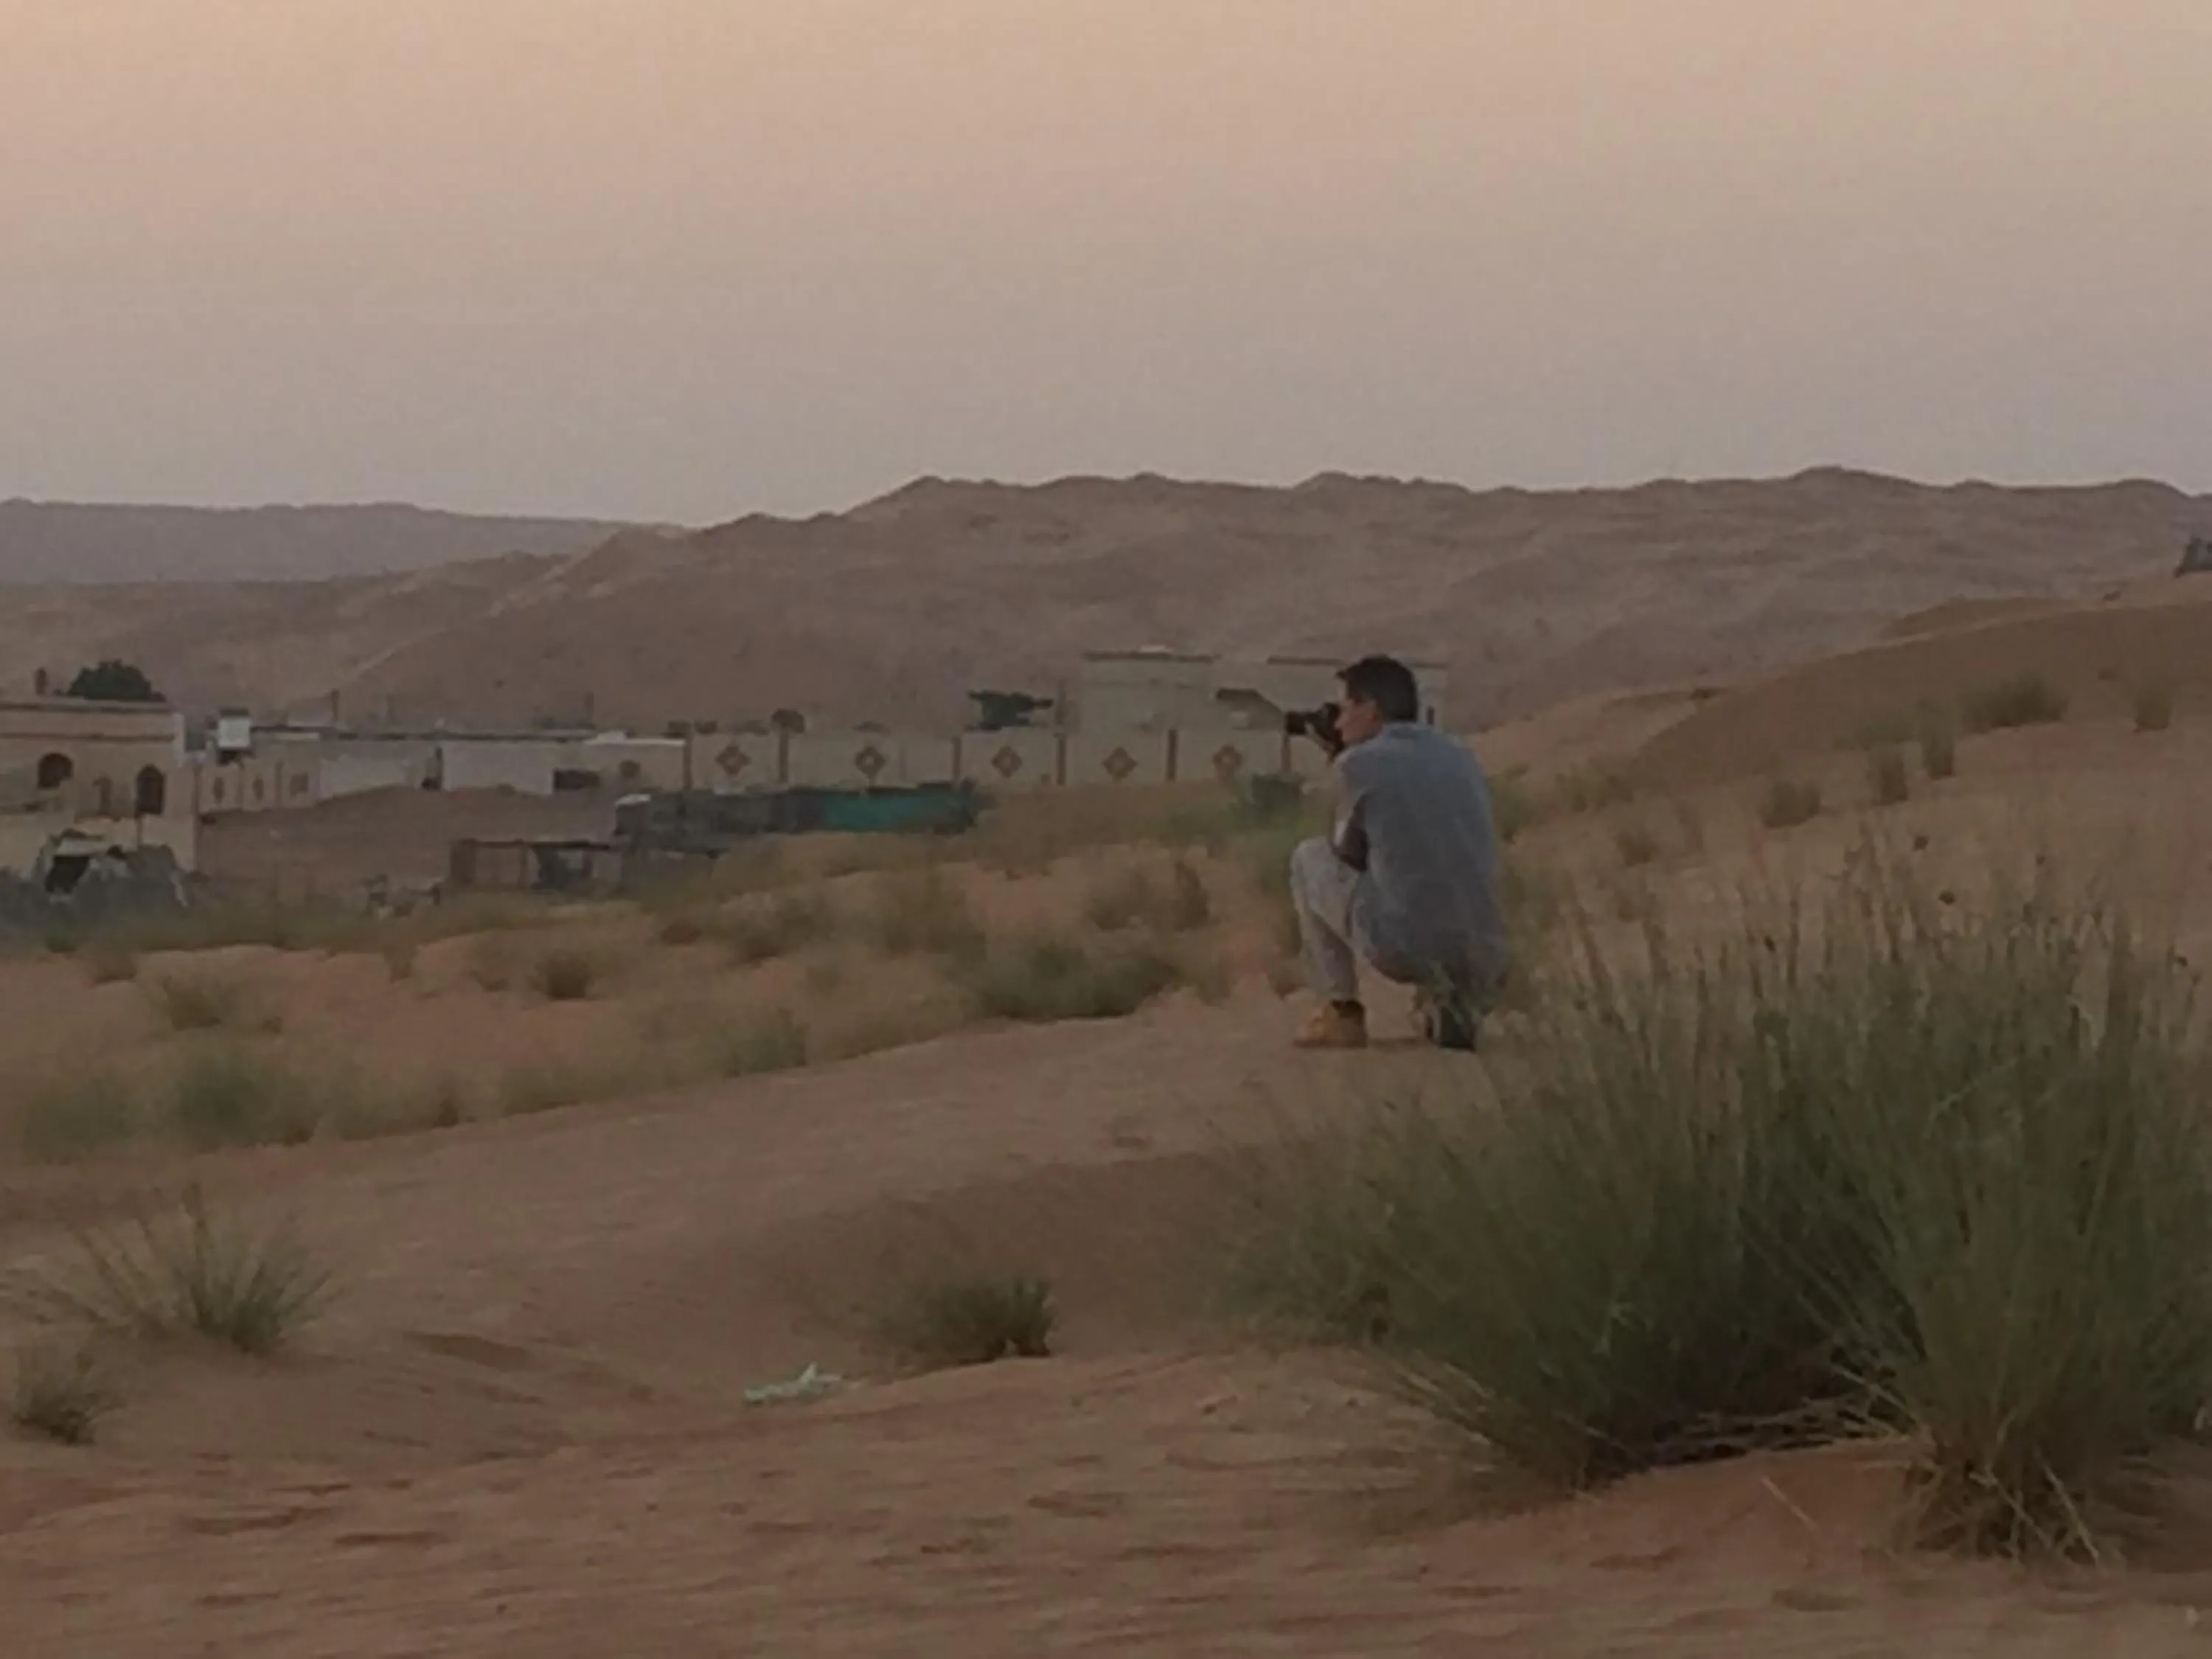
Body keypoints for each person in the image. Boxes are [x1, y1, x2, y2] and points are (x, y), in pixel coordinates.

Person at [1287, 655, 1506, 1051]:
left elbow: (1346, 854)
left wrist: (1335, 764)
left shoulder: (1359, 763)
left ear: (1370, 709)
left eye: (1345, 709)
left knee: (1309, 857)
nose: (1338, 723)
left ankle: (1342, 1011)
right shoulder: (1461, 755)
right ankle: (1448, 1000)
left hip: (1404, 946)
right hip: (1485, 948)